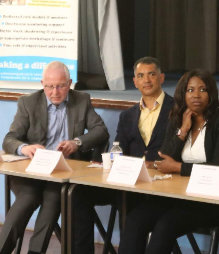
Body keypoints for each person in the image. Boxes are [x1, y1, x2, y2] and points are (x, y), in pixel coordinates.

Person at [0, 61, 110, 254]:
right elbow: (9, 139)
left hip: (62, 173)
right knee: (27, 199)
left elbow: (101, 130)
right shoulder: (28, 102)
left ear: (70, 83)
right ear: (42, 84)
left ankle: (35, 252)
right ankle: (0, 251)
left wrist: (77, 142)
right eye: (49, 86)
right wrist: (26, 148)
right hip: (32, 172)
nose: (55, 92)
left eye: (61, 86)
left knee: (53, 197)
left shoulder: (81, 100)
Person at [118, 69, 219, 254]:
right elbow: (163, 158)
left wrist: (178, 167)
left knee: (166, 225)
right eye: (190, 90)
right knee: (135, 219)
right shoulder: (178, 118)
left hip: (212, 202)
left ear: (211, 94)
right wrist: (182, 130)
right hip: (178, 197)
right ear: (183, 94)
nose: (196, 95)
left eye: (202, 90)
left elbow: (218, 168)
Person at [70, 57, 174, 254]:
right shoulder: (127, 116)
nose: (147, 80)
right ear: (134, 82)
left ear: (161, 77)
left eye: (152, 74)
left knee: (133, 207)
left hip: (161, 184)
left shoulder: (177, 110)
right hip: (128, 182)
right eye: (141, 76)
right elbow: (118, 151)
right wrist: (108, 163)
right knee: (77, 194)